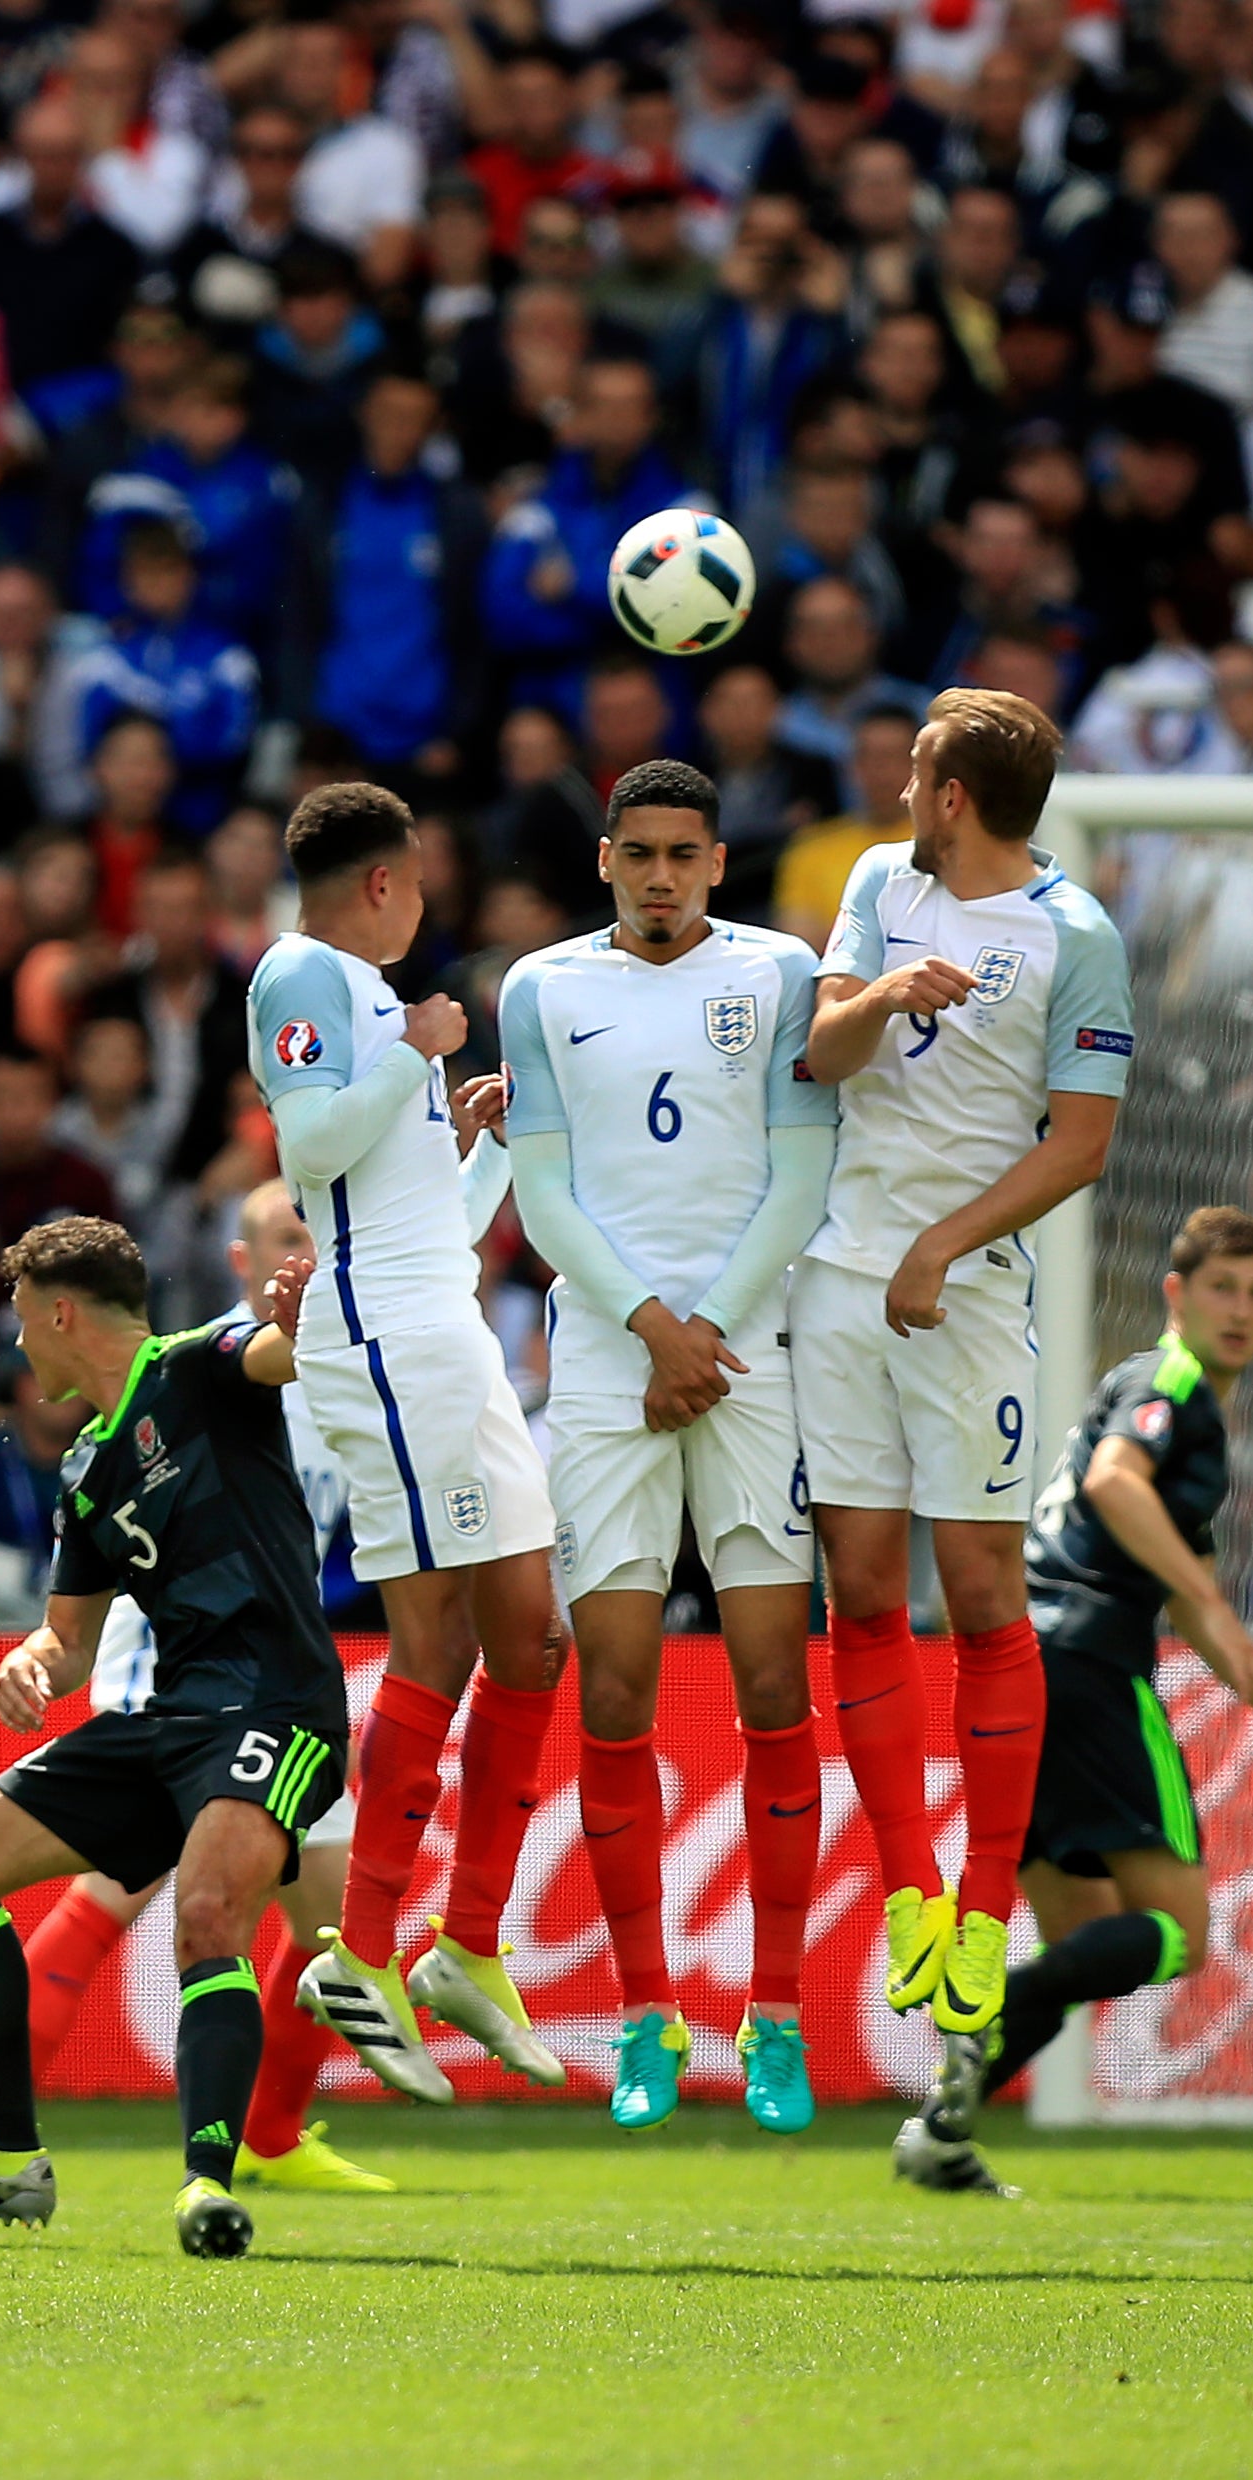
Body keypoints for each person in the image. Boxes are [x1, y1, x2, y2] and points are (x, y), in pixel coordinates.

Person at [905, 1208, 1253, 2195]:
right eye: (1223, 1288)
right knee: (1179, 1931)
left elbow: (1197, 1608)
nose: (1242, 1311)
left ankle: (939, 2134)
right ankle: (987, 2010)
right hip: (1088, 1664)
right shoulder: (1168, 1384)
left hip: (1015, 1666)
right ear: (1176, 1294)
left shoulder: (1162, 1410)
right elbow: (1113, 1482)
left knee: (1085, 1934)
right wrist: (1207, 1593)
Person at [0, 1214, 337, 2262]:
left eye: (22, 1324)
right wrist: (31, 1660)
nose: (19, 1348)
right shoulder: (86, 1465)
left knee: (211, 1914)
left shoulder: (201, 1366)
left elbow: (277, 1351)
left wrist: (301, 1321)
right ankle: (5, 2162)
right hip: (169, 1717)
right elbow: (71, 1639)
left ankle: (206, 2186)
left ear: (60, 1311)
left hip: (273, 1703)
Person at [496, 760, 837, 2132]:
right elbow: (538, 1184)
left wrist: (703, 1333)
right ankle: (647, 2009)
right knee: (616, 1687)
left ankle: (777, 2012)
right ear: (601, 858)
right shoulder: (540, 987)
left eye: (680, 854)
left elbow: (800, 1173)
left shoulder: (783, 971)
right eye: (634, 852)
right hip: (603, 1362)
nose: (656, 874)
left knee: (770, 1678)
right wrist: (649, 1328)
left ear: (713, 862)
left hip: (747, 1351)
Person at [797, 685, 1123, 2054]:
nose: (894, 804)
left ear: (951, 799)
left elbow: (1081, 1141)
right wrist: (877, 990)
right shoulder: (880, 883)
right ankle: (909, 1893)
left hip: (969, 1296)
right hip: (835, 1283)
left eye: (912, 779)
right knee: (860, 1587)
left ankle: (988, 1909)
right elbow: (822, 1053)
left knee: (985, 1595)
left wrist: (941, 1241)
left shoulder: (1076, 939)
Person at [239, 780, 564, 2122]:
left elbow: (412, 1211)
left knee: (523, 1635)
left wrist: (468, 1140)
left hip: (435, 1330)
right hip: (386, 1350)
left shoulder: (371, 1008)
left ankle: (460, 1941)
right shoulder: (304, 973)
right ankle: (366, 1952)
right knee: (443, 1641)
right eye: (418, 876)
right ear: (384, 879)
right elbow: (307, 1138)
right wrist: (417, 1051)